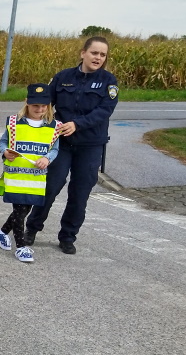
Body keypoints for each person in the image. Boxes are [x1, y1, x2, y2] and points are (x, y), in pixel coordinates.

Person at [24, 37, 120, 254]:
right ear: (83, 53)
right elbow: (46, 103)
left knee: (80, 193)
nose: (98, 58)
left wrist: (78, 124)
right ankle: (32, 228)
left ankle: (67, 236)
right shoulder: (63, 77)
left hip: (90, 145)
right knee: (51, 186)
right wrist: (32, 121)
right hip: (62, 143)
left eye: (102, 55)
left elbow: (104, 110)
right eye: (94, 53)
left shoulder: (109, 81)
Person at [0, 83, 61, 263]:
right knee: (20, 211)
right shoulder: (14, 123)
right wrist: (5, 152)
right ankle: (21, 247)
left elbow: (54, 149)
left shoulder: (54, 126)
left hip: (36, 179)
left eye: (44, 105)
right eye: (35, 105)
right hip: (16, 176)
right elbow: (3, 142)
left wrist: (47, 159)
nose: (40, 109)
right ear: (27, 103)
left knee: (24, 210)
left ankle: (1, 232)